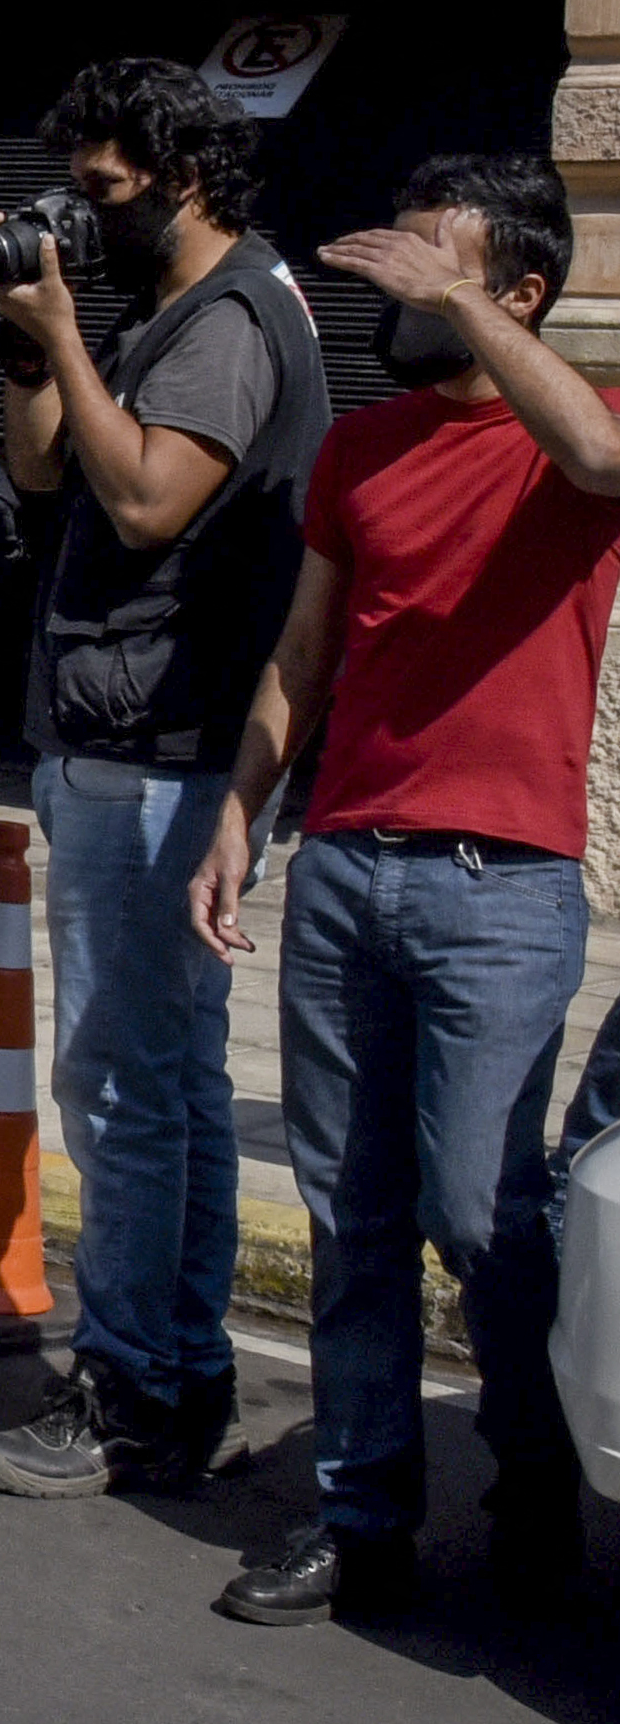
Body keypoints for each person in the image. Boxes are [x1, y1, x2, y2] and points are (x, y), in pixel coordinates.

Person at [180, 156, 619, 1621]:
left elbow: (604, 466)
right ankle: (360, 1509)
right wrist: (245, 809)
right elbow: (306, 656)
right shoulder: (361, 453)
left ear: (523, 292)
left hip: (506, 892)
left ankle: (535, 1464)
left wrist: (468, 307)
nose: (395, 284)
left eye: (432, 262)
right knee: (351, 1209)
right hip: (349, 870)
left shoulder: (580, 439)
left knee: (484, 1211)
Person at [0, 58, 330, 1503]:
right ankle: (176, 1370)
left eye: (104, 191)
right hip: (124, 736)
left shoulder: (232, 320)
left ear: (183, 176)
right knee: (164, 1084)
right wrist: (29, 342)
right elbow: (45, 476)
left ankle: (133, 1387)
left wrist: (67, 327)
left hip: (163, 751)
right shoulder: (166, 308)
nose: (84, 216)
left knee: (122, 1081)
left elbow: (145, 496)